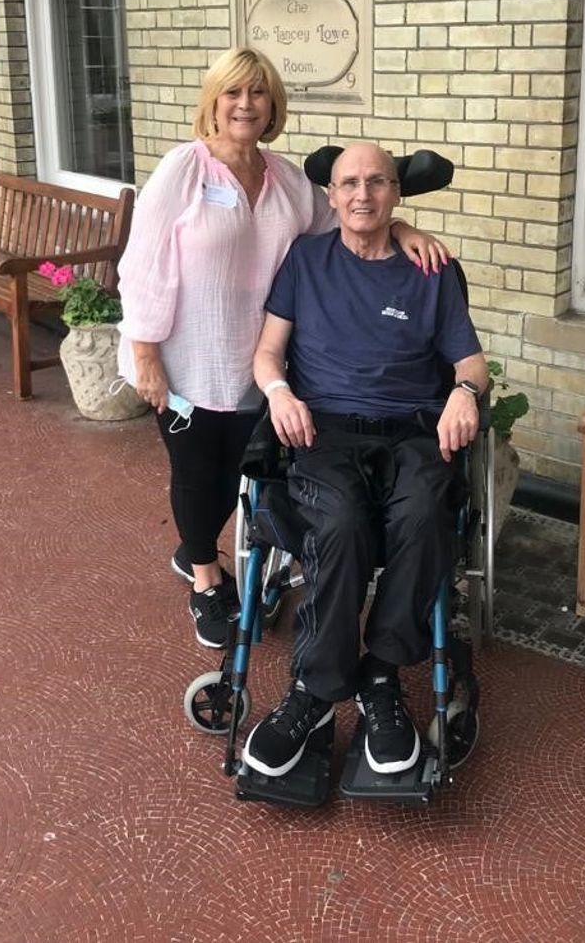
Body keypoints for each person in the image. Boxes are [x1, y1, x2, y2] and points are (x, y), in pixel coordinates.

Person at [116, 50, 448, 651]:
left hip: (258, 363)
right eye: (233, 93)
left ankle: (197, 545)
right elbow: (142, 264)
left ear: (273, 106)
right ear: (213, 101)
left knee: (239, 476)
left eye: (259, 94)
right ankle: (206, 578)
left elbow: (348, 217)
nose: (246, 105)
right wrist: (145, 355)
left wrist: (402, 229)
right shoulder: (184, 170)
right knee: (198, 475)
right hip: (185, 361)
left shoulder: (287, 178)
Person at [241, 142, 487, 779]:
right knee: (341, 522)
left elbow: (471, 362)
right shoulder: (306, 259)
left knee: (426, 513)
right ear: (331, 196)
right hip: (325, 431)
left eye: (377, 182)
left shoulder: (430, 270)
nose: (362, 195)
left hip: (413, 433)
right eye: (349, 183)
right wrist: (279, 392)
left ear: (396, 194)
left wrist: (464, 394)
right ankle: (317, 692)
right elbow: (268, 353)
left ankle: (380, 672)